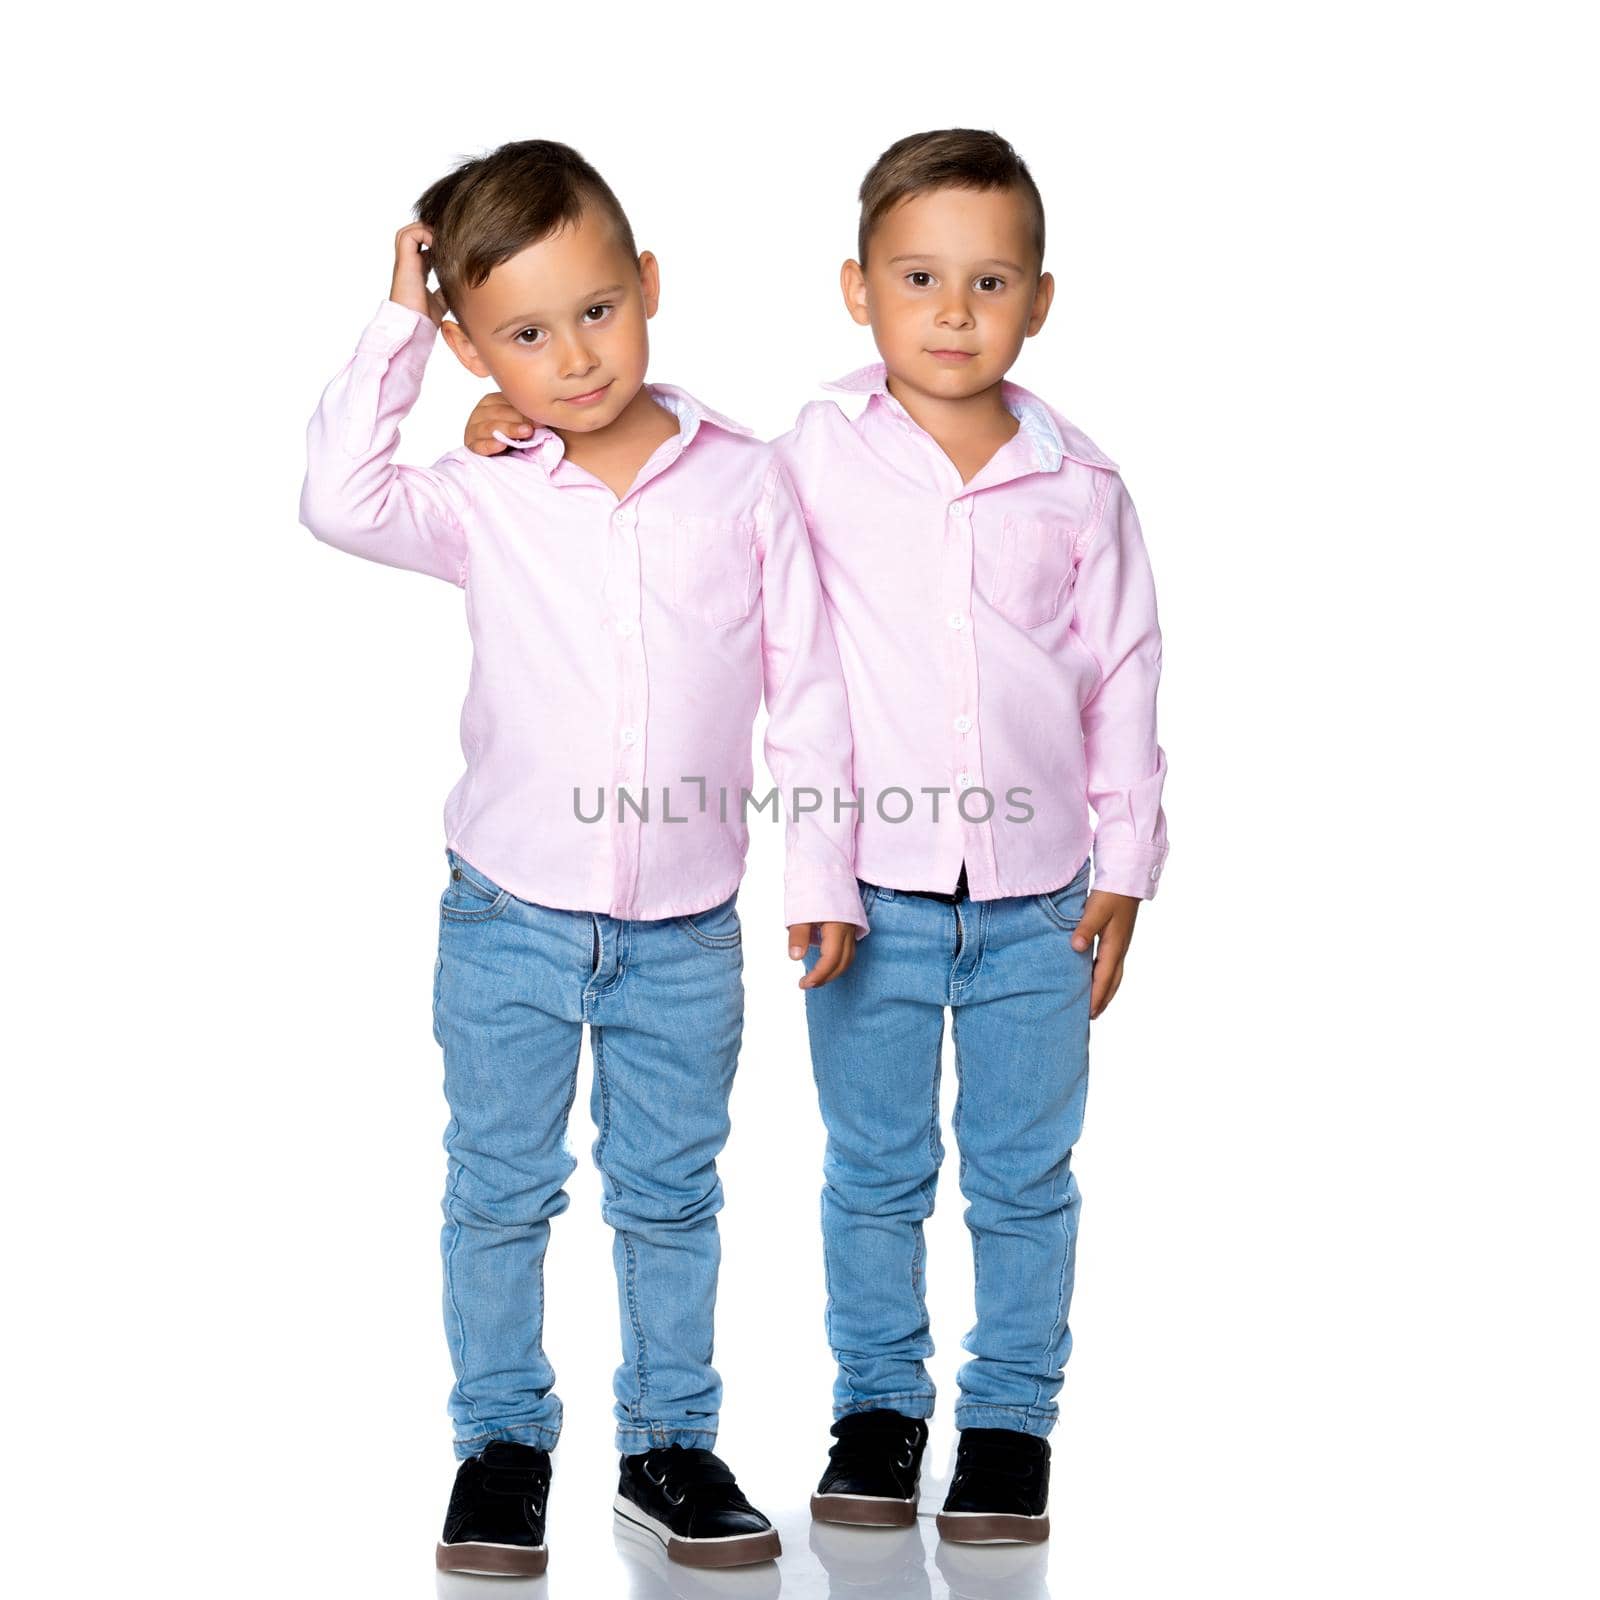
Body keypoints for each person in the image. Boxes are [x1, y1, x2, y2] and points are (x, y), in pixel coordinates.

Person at [464, 125, 1171, 1550]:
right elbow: (677, 520)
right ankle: (878, 1414)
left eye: (990, 282)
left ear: (1041, 299)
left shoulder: (1083, 485)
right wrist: (515, 421)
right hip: (876, 897)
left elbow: (1127, 675)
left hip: (1041, 902)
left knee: (1026, 1175)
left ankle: (1010, 1427)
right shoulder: (802, 461)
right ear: (860, 290)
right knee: (877, 1171)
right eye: (920, 277)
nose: (955, 312)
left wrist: (1130, 860)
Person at [299, 138, 865, 1576]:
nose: (572, 356)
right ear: (469, 342)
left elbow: (806, 690)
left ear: (650, 288)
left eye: (597, 311)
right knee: (498, 1187)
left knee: (673, 1194)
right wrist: (396, 327)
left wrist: (821, 875)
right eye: (526, 333)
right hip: (509, 920)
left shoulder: (746, 484)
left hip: (683, 930)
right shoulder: (483, 491)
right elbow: (337, 497)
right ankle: (499, 1448)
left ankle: (670, 1446)